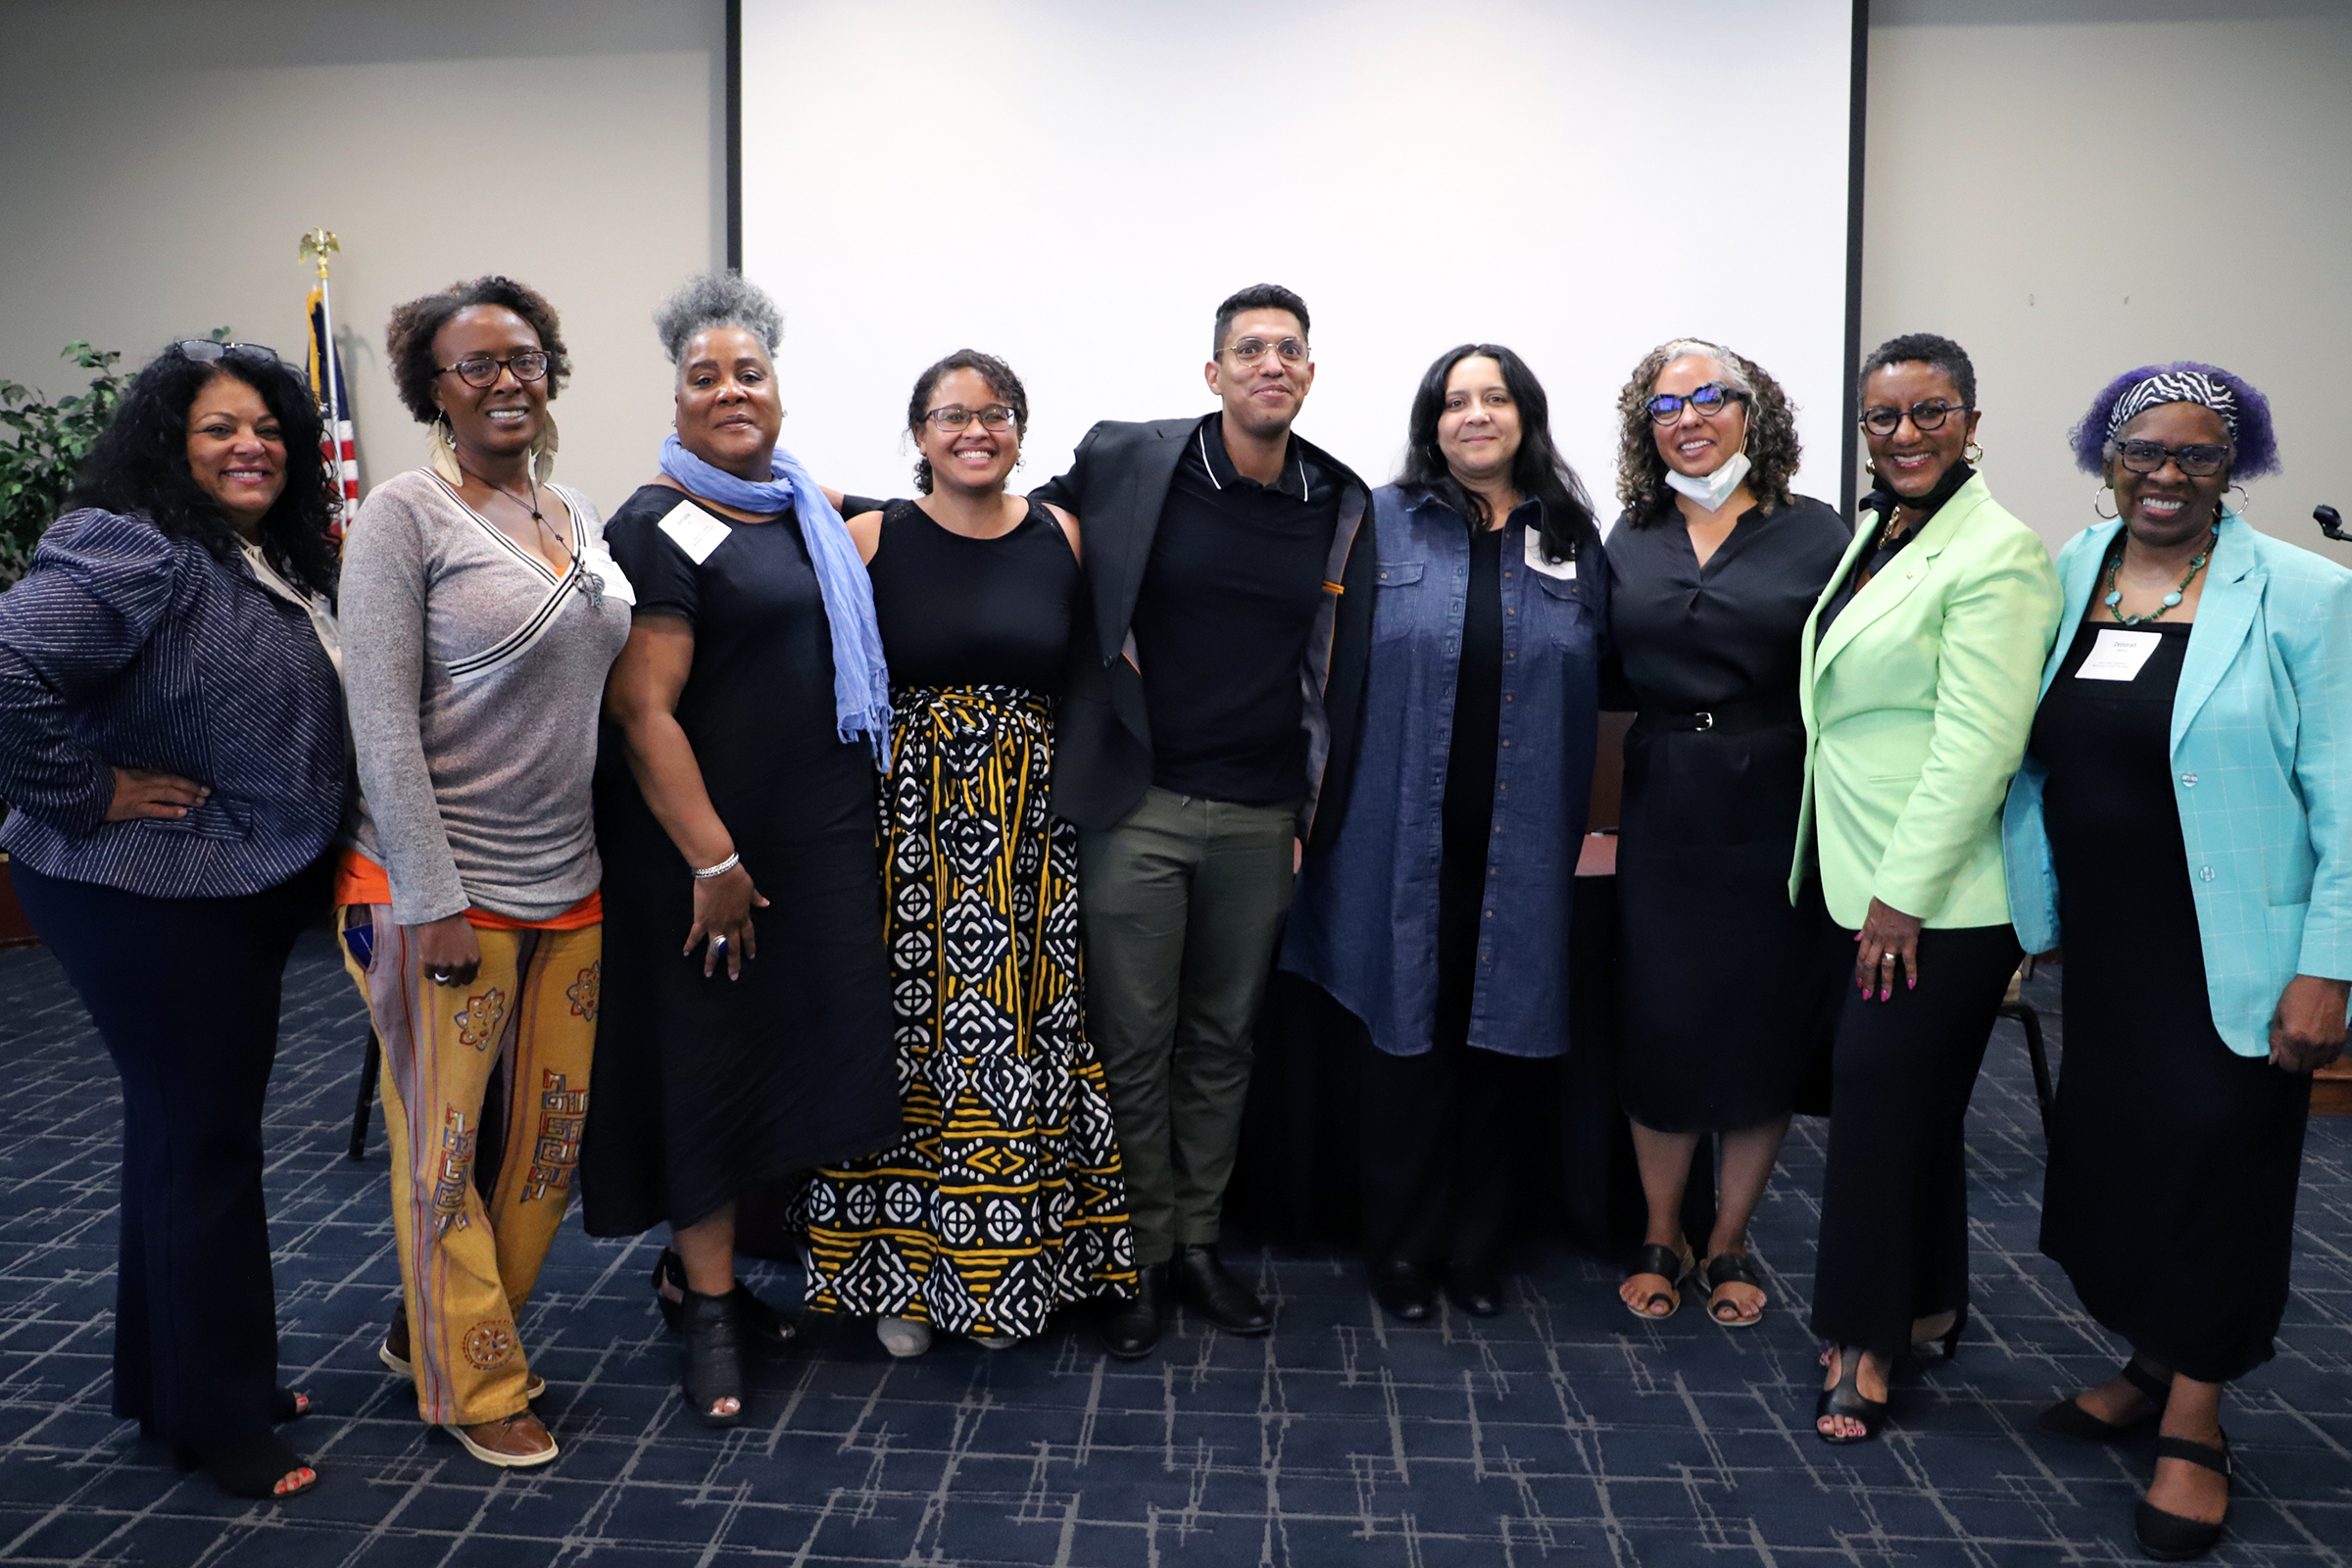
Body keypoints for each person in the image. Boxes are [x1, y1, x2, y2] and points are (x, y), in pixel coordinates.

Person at [2004, 364, 2350, 1559]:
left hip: (2244, 944)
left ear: (2235, 465)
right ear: (2105, 454)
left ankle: (2196, 1422)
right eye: (2142, 450)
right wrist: (2026, 909)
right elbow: (2034, 762)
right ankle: (2152, 1362)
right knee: (2124, 1160)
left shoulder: (2305, 595)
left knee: (2222, 1167)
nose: (2166, 474)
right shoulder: (2064, 575)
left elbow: (2347, 795)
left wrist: (2331, 966)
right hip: (2108, 943)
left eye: (2198, 455)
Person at [0, 340, 343, 1500]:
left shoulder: (252, 553)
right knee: (205, 1143)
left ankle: (175, 1385)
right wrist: (86, 790)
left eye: (267, 428)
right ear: (170, 446)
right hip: (139, 880)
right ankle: (223, 1422)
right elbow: (5, 663)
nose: (252, 446)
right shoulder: (134, 544)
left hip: (213, 879)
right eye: (218, 429)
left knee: (175, 1133)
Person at [1032, 283, 1376, 1357]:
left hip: (1259, 813)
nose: (1271, 363)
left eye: (1289, 349)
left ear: (1309, 374)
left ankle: (1197, 1242)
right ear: (1213, 373)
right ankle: (1132, 1254)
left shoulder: (1340, 499)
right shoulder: (1137, 458)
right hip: (1138, 803)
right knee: (1134, 1040)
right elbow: (1013, 520)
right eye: (1249, 349)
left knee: (1223, 1041)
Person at [586, 272, 901, 1421]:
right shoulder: (656, 521)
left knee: (787, 1057)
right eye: (704, 376)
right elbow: (643, 711)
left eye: (748, 373)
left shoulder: (798, 507)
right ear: (675, 397)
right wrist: (714, 864)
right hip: (705, 856)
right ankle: (710, 1309)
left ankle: (700, 1276)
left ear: (777, 388)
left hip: (807, 837)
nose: (730, 390)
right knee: (711, 1067)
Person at [337, 276, 631, 1469]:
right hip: (435, 892)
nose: (505, 380)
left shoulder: (575, 510)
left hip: (573, 879)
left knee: (547, 1146)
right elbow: (382, 722)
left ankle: (442, 1327)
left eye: (522, 358)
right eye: (475, 366)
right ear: (433, 392)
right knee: (446, 1150)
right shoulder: (403, 515)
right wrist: (434, 896)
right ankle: (476, 1378)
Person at [797, 351, 1138, 1355]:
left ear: (1021, 431)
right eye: (951, 415)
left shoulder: (1061, 534)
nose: (975, 430)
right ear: (918, 436)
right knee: (905, 1041)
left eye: (996, 414)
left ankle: (999, 1271)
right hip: (900, 832)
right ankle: (903, 1276)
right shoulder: (868, 537)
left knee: (1018, 1042)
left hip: (1029, 834)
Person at [1279, 344, 1605, 1322]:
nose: (1476, 415)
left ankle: (1476, 1251)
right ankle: (1403, 1252)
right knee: (1403, 1051)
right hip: (1396, 839)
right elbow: (1313, 670)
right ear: (1432, 422)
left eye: (1494, 398)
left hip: (1523, 844)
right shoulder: (1375, 524)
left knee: (1495, 1051)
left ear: (1523, 416)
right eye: (1455, 401)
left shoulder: (1571, 535)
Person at [1797, 332, 2062, 1443]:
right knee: (1911, 1108)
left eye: (1930, 413)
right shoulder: (1883, 528)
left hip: (1934, 898)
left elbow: (1978, 744)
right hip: (1860, 867)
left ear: (1970, 419)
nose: (1906, 435)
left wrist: (1897, 897)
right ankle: (1930, 1299)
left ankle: (1865, 1342)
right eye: (1884, 417)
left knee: (1872, 1105)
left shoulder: (1999, 550)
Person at [1603, 340, 1847, 1327]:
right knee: (1659, 1014)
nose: (1691, 417)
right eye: (1668, 405)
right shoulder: (1629, 533)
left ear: (1756, 414)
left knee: (1759, 1021)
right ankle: (1661, 1229)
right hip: (1664, 791)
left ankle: (1729, 1238)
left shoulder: (1818, 534)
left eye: (1712, 397)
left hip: (1775, 798)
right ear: (1646, 428)